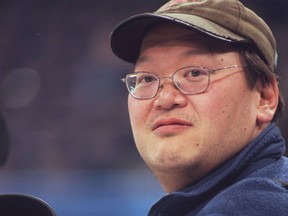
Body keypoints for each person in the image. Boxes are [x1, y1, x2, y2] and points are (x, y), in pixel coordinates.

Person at [110, 0, 288, 215]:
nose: (165, 99)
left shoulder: (241, 208)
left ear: (264, 97)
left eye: (195, 73)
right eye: (147, 78)